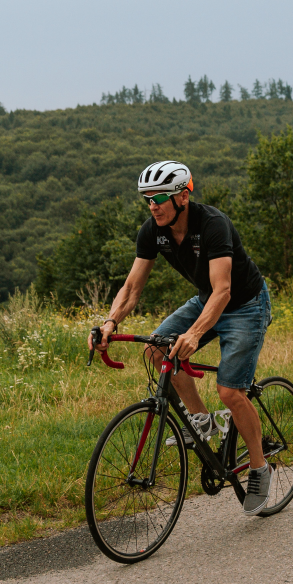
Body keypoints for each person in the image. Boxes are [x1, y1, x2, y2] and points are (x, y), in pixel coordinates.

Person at [97, 161, 277, 515]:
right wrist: (109, 323)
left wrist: (194, 334)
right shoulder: (153, 231)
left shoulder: (212, 225)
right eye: (147, 199)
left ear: (183, 196)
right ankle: (203, 421)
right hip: (204, 300)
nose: (153, 205)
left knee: (229, 390)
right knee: (156, 348)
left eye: (160, 197)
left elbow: (223, 290)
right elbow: (132, 287)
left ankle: (260, 467)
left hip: (244, 305)